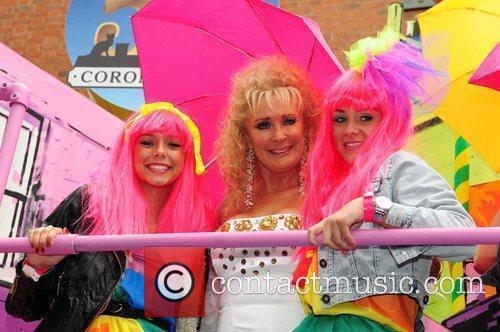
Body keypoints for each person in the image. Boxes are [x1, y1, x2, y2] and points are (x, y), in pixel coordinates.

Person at [293, 28, 476, 332]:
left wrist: (373, 209)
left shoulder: (400, 166)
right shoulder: (332, 185)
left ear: (389, 119)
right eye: (340, 119)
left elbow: (467, 238)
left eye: (365, 117)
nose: (350, 130)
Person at [5, 102, 216, 331]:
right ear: (128, 149)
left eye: (174, 145)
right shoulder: (89, 201)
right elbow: (23, 309)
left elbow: (191, 320)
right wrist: (38, 266)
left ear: (187, 157)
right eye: (147, 142)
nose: (160, 152)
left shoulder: (198, 227)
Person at [204, 56, 319, 331]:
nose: (279, 135)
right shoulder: (226, 207)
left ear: (307, 126)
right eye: (263, 125)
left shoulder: (326, 198)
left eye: (289, 120)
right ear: (245, 136)